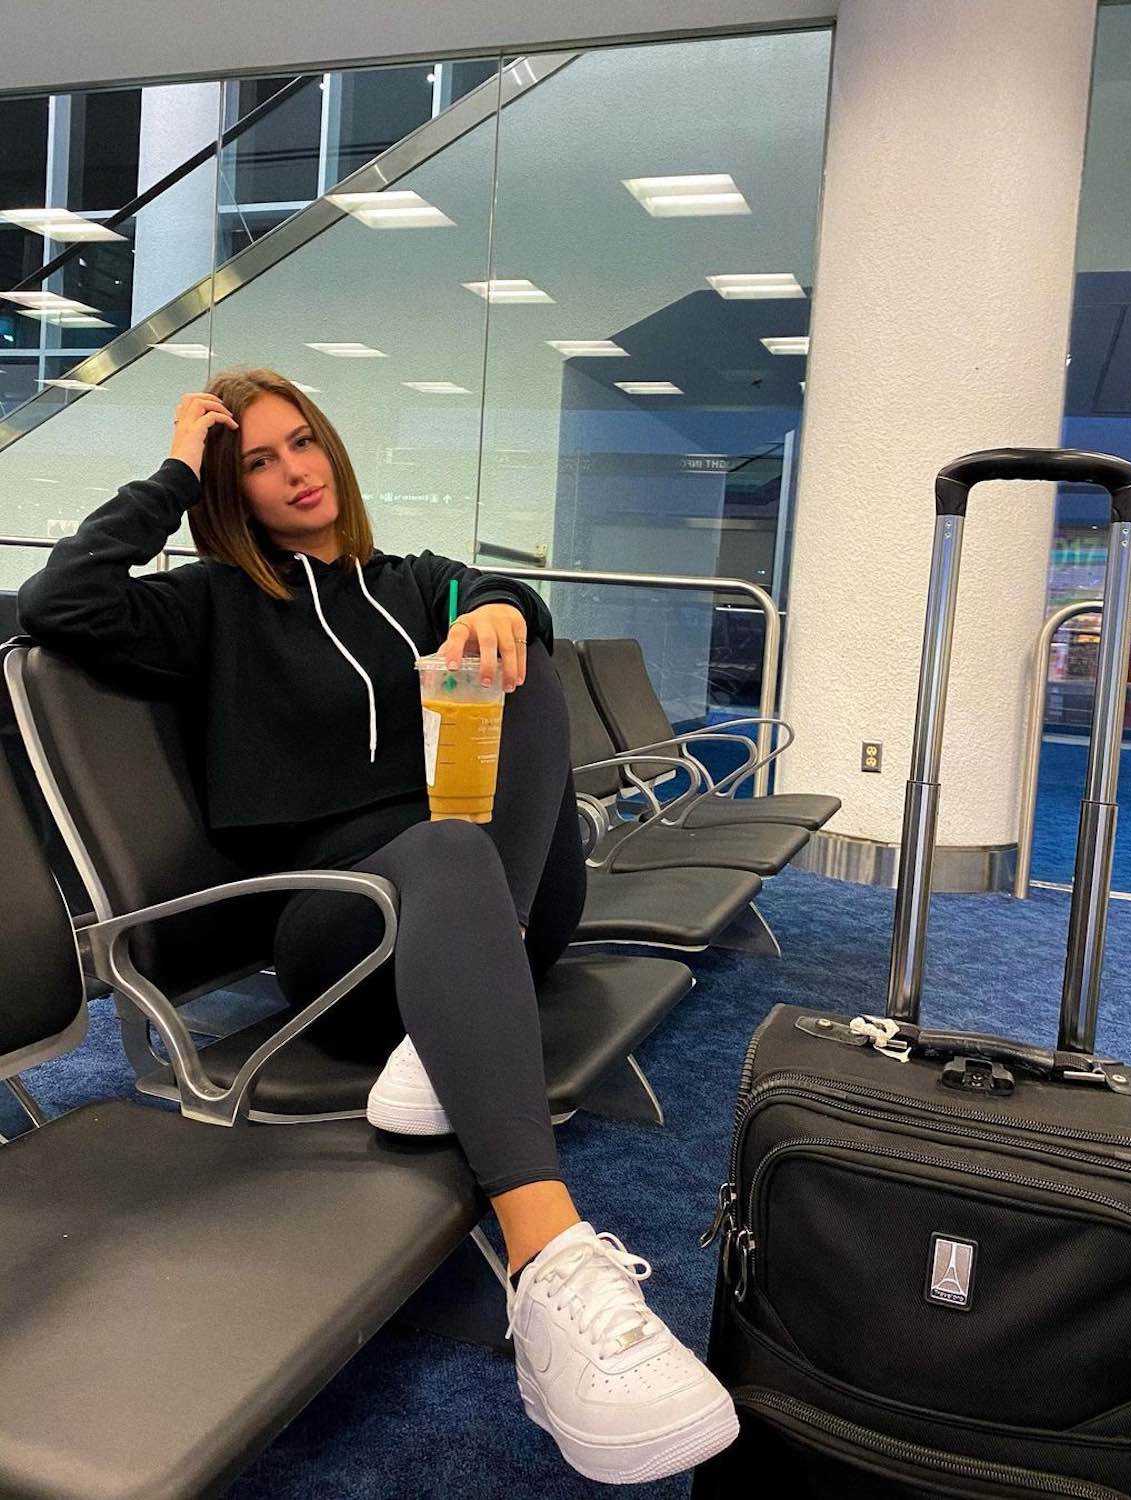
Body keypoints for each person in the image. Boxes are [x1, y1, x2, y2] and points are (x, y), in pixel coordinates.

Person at [16, 367, 737, 1486]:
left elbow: (506, 599)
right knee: (447, 843)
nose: (293, 471)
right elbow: (61, 604)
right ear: (227, 487)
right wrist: (169, 472)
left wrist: (498, 608)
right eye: (255, 460)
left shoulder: (412, 586)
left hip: (485, 911)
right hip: (331, 931)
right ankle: (548, 1257)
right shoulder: (204, 608)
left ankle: (439, 1037)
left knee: (524, 672)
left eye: (300, 444)